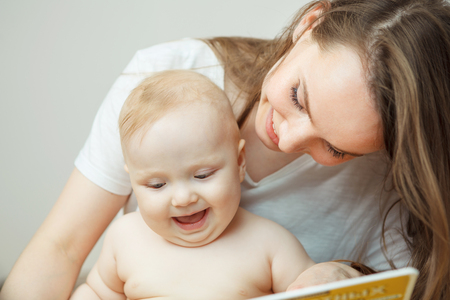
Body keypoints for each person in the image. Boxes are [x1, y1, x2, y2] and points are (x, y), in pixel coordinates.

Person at [2, 0, 449, 299]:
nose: (289, 140)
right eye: (297, 97)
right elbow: (60, 250)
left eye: (335, 148)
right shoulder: (164, 85)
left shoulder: (390, 181)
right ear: (311, 23)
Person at [70, 70, 315, 299]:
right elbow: (96, 292)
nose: (183, 198)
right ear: (133, 181)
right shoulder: (124, 238)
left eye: (202, 175)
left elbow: (319, 289)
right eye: (156, 185)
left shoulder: (270, 244)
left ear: (240, 162)